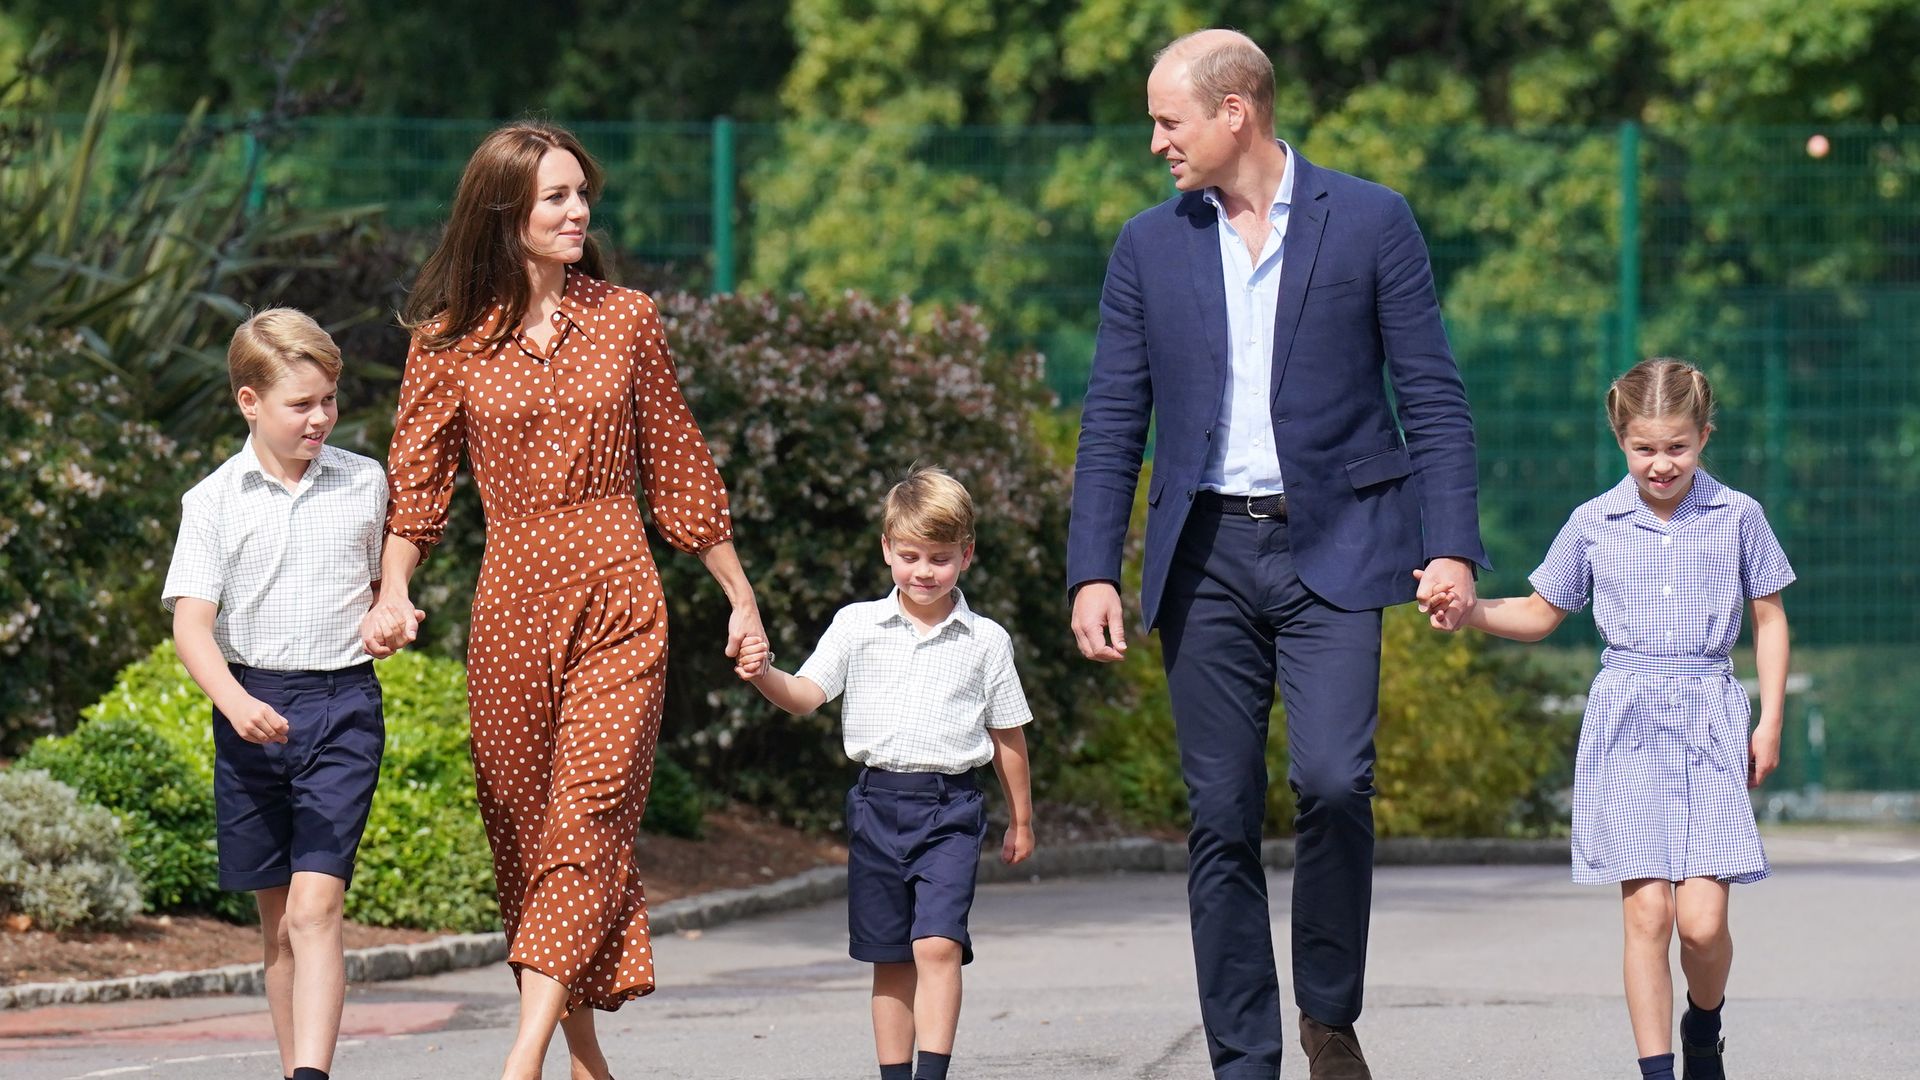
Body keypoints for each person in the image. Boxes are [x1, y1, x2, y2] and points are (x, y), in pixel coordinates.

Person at [1065, 28, 1486, 1080]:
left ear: (1234, 112)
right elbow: (1115, 413)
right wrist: (1091, 570)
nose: (1156, 141)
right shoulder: (1147, 245)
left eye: (1169, 120)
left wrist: (1453, 548)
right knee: (1219, 815)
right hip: (1203, 554)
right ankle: (1243, 1060)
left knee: (1338, 783)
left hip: (1337, 545)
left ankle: (1329, 1013)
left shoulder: (1373, 220)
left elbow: (1430, 394)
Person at [365, 121, 764, 1080]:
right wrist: (392, 592)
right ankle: (588, 1058)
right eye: (556, 196)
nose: (579, 210)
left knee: (587, 817)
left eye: (582, 193)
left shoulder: (627, 318)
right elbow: (418, 488)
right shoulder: (448, 341)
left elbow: (678, 467)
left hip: (619, 594)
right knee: (524, 833)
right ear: (505, 212)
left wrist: (740, 600)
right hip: (510, 606)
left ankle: (522, 1060)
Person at [1420, 358, 1793, 1080]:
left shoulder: (1738, 515)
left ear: (1705, 437)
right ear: (1621, 439)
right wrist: (1469, 612)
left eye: (1678, 447)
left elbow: (1769, 616)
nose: (1662, 464)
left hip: (1710, 719)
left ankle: (1704, 1023)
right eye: (1646, 447)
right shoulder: (1593, 523)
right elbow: (1538, 612)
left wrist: (1769, 719)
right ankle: (1656, 1072)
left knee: (1703, 924)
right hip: (1625, 723)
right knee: (1648, 916)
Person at [734, 465, 1034, 1080]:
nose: (924, 571)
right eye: (911, 555)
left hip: (951, 808)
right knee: (891, 957)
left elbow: (1008, 735)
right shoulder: (856, 626)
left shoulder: (986, 640)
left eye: (941, 558)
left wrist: (1021, 820)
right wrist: (764, 673)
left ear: (967, 556)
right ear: (887, 550)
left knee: (938, 944)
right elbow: (805, 694)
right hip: (876, 806)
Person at [165, 308, 390, 1080]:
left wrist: (389, 616)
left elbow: (378, 589)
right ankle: (294, 1067)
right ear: (249, 401)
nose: (321, 417)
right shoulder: (213, 501)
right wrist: (234, 702)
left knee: (314, 908)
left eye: (329, 399)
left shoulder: (365, 481)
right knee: (278, 930)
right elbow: (194, 625)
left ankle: (311, 1077)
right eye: (302, 403)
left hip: (343, 709)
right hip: (250, 709)